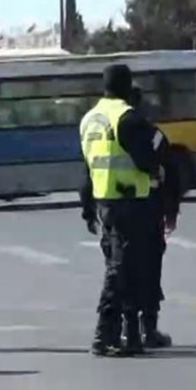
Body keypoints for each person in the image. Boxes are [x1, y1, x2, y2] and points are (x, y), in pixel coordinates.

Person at [78, 64, 160, 357]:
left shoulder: (89, 119)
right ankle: (105, 335)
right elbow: (149, 159)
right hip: (130, 203)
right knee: (122, 270)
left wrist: (87, 209)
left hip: (104, 203)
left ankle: (130, 337)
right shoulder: (127, 118)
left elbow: (88, 168)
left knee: (122, 268)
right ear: (127, 86)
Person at [126, 85, 180, 348]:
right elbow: (171, 174)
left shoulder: (107, 135)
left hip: (120, 210)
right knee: (149, 269)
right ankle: (148, 328)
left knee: (124, 271)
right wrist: (172, 212)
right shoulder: (154, 135)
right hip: (149, 210)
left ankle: (128, 330)